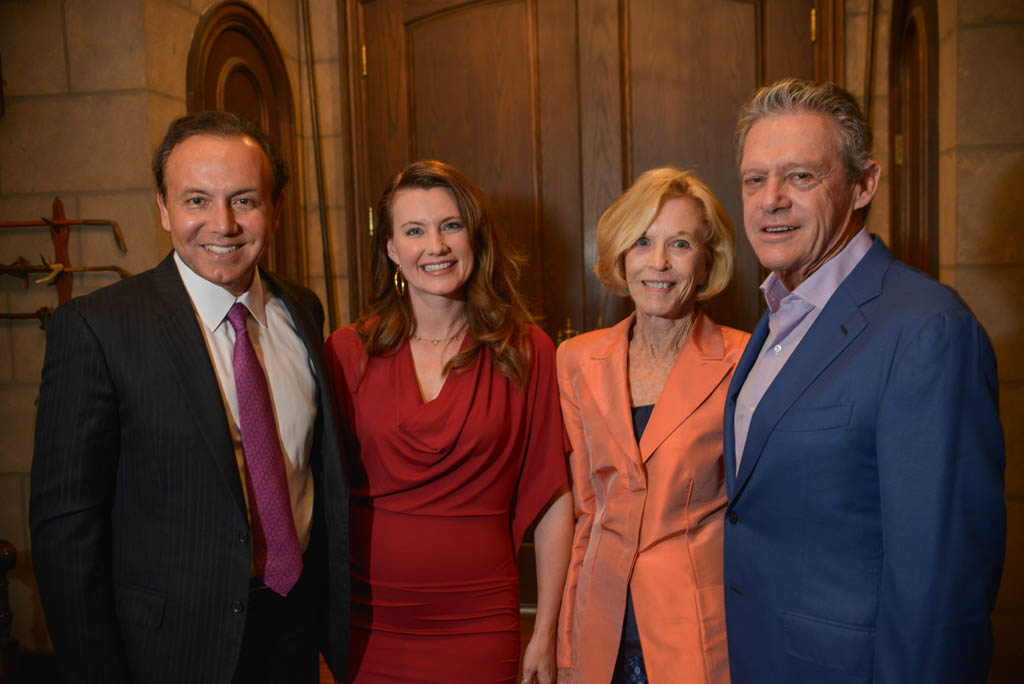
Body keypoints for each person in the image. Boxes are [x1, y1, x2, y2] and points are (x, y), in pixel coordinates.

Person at [30, 111, 349, 684]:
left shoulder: (302, 310)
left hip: (293, 632)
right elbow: (66, 533)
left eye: (244, 200)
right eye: (197, 200)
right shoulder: (97, 330)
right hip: (167, 649)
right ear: (163, 208)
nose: (222, 224)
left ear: (276, 208)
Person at [723, 78, 1005, 683]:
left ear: (863, 185)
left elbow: (940, 589)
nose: (771, 200)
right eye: (754, 179)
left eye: (801, 176)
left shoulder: (928, 330)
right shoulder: (777, 316)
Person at [325, 160, 572, 684]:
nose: (435, 246)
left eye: (451, 225)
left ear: (474, 237)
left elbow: (553, 498)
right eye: (414, 231)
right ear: (391, 248)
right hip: (369, 624)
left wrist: (547, 631)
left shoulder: (527, 352)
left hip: (480, 623)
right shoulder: (347, 353)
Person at [556, 167, 749, 684]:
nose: (658, 262)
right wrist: (567, 644)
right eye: (642, 241)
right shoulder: (575, 360)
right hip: (599, 629)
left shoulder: (745, 361)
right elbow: (586, 514)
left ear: (707, 262)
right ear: (622, 256)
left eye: (680, 243)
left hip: (697, 634)